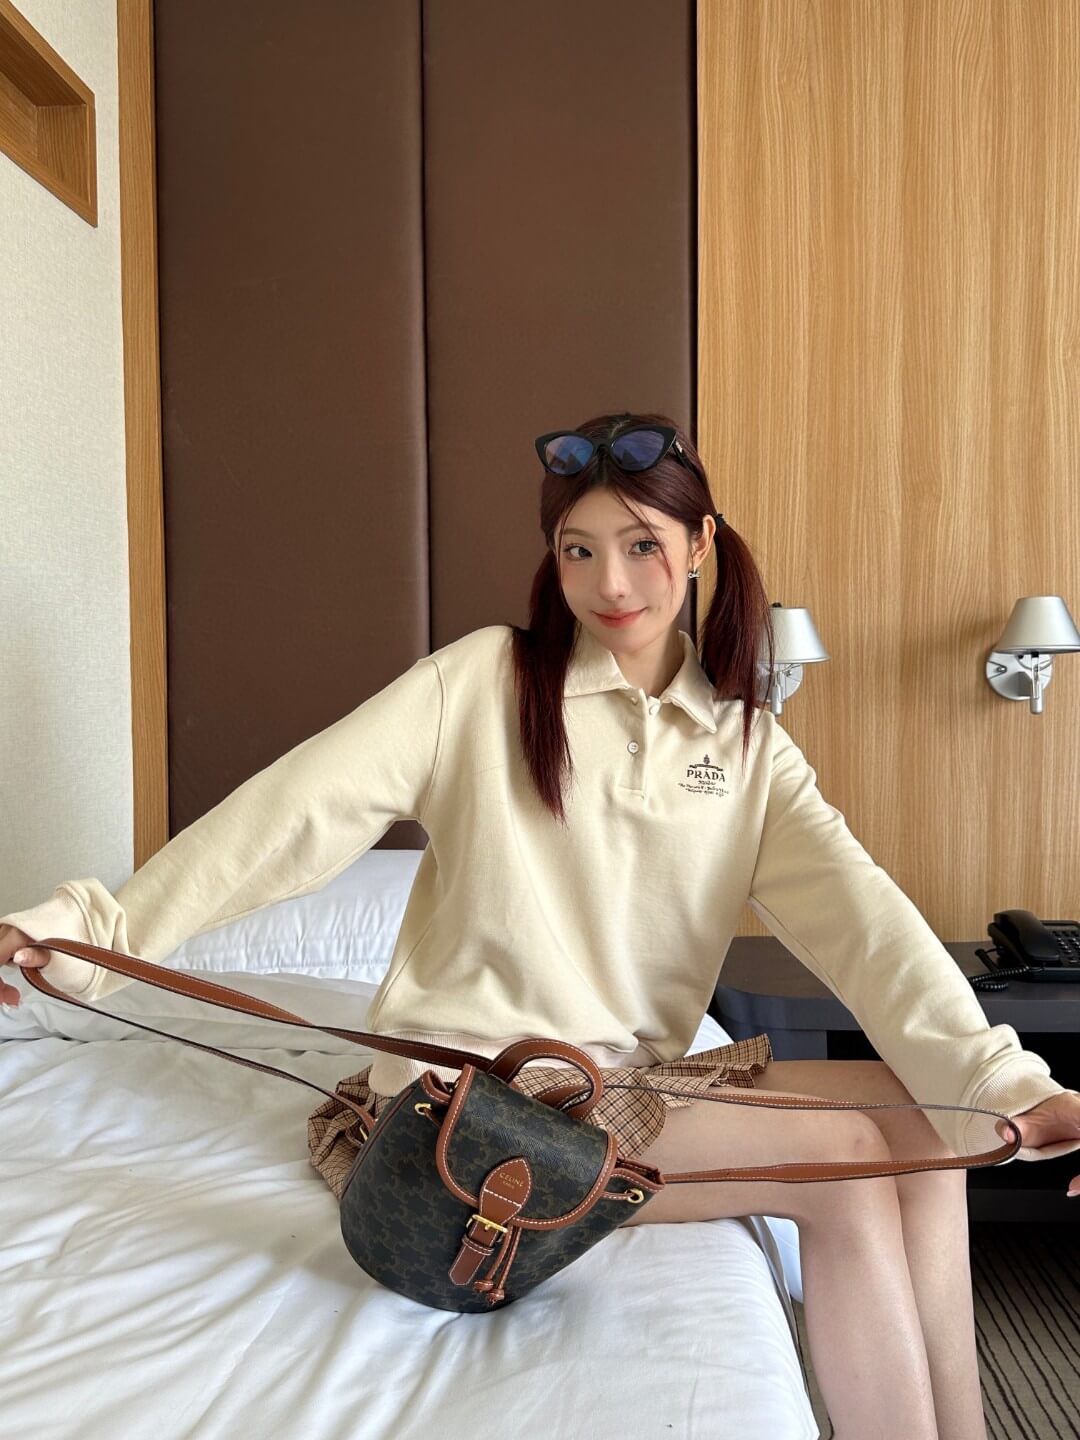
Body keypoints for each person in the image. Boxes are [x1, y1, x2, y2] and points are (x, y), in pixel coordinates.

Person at [2, 409, 1077, 1438]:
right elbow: (286, 821)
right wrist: (91, 934)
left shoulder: (746, 748)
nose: (611, 583)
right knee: (845, 1162)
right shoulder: (483, 683)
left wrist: (1005, 1085)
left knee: (932, 1122)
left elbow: (867, 927)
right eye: (578, 550)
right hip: (477, 1104)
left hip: (632, 1088)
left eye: (643, 545)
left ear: (700, 544)